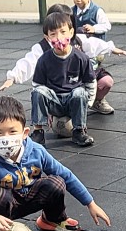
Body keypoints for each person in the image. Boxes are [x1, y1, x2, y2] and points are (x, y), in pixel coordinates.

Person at [0, 96, 112, 231]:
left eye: (12, 131)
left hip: (29, 198)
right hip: (1, 205)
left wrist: (90, 203)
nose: (6, 139)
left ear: (25, 133)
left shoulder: (36, 151)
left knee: (56, 182)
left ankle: (52, 219)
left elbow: (66, 175)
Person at [0, 4, 126, 116]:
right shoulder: (43, 48)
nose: (60, 36)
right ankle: (53, 113)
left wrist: (111, 48)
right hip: (57, 87)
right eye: (54, 31)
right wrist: (13, 77)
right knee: (64, 127)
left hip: (75, 82)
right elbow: (29, 62)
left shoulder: (77, 40)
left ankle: (96, 102)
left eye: (63, 29)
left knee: (105, 81)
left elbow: (93, 43)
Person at [26, 9, 97, 147]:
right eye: (53, 34)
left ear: (71, 32)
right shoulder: (44, 60)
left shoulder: (81, 58)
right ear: (47, 38)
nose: (59, 37)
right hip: (54, 101)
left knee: (80, 92)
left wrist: (87, 104)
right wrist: (45, 110)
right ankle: (38, 132)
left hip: (73, 100)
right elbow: (37, 85)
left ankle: (79, 131)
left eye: (63, 32)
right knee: (38, 92)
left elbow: (90, 82)